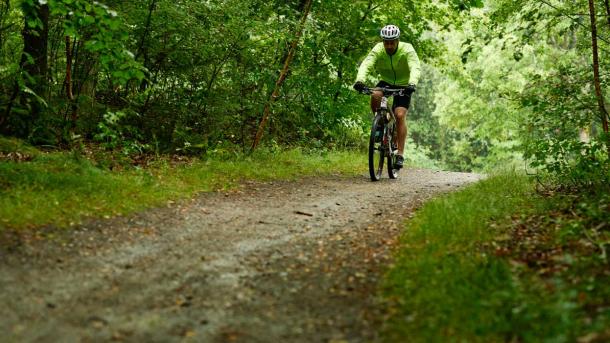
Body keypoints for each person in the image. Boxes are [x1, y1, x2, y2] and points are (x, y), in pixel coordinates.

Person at [353, 24, 421, 169]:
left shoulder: (407, 49)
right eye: (386, 42)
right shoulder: (378, 49)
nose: (389, 45)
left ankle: (400, 154)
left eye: (392, 42)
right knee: (375, 95)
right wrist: (359, 80)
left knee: (400, 114)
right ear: (383, 41)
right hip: (386, 82)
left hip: (404, 84)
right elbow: (367, 63)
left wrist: (412, 83)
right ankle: (380, 125)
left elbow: (415, 66)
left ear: (397, 41)